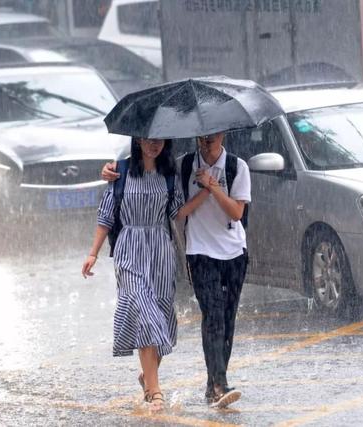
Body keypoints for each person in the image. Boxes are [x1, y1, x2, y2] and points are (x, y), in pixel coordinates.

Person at [101, 132, 251, 409]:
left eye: (213, 136)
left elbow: (237, 213)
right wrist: (112, 169)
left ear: (223, 134)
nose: (207, 141)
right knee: (213, 315)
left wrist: (212, 187)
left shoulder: (237, 167)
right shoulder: (182, 166)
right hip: (199, 252)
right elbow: (178, 211)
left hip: (234, 253)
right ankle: (218, 386)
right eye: (202, 136)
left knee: (227, 321)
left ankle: (210, 384)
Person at [82, 137, 184, 411]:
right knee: (143, 309)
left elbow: (177, 212)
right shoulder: (120, 171)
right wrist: (93, 253)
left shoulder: (170, 174)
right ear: (137, 140)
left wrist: (207, 191)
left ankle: (147, 377)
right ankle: (156, 391)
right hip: (129, 248)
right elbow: (106, 216)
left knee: (161, 314)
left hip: (161, 250)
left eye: (160, 141)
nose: (154, 146)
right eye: (149, 140)